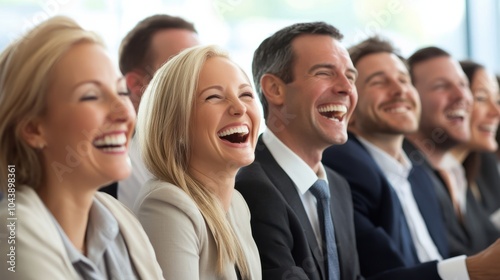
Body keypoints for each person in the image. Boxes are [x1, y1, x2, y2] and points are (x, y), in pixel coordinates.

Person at [324, 37, 500, 280]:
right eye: (379, 82)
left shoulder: (420, 177)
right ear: (349, 104)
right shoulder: (344, 168)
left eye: (403, 80)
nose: (399, 91)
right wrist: (475, 269)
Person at [0, 16, 163, 279]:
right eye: (91, 96)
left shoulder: (120, 218)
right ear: (33, 129)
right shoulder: (11, 237)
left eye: (121, 92)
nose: (124, 110)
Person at [235, 21, 362, 280]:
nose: (346, 88)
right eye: (325, 73)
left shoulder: (337, 186)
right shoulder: (252, 187)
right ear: (274, 89)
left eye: (350, 77)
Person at [134, 45, 262, 279]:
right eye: (214, 97)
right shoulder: (167, 204)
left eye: (246, 94)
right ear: (176, 124)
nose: (240, 107)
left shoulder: (237, 204)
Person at [404, 46, 500, 257]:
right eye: (441, 86)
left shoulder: (457, 173)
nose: (461, 97)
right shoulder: (404, 172)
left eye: (463, 85)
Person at [100, 14, 200, 208]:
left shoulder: (206, 148)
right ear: (137, 84)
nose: (200, 79)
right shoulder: (109, 163)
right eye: (181, 69)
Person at [452, 60, 500, 226]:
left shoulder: (483, 162)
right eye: (481, 98)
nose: (497, 112)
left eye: (498, 101)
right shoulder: (429, 178)